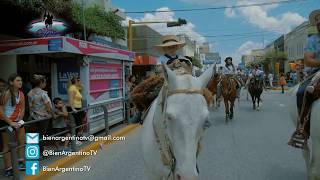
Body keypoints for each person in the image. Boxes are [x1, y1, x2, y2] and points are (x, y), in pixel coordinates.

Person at [0, 74, 26, 176]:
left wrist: (20, 120)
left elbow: (23, 108)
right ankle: (8, 168)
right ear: (11, 82)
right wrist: (10, 122)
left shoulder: (21, 94)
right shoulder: (6, 93)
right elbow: (1, 110)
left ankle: (20, 162)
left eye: (21, 80)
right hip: (6, 122)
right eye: (18, 80)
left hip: (18, 121)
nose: (20, 82)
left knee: (21, 141)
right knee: (7, 146)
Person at [68, 76, 85, 146]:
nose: (80, 82)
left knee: (79, 124)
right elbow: (71, 99)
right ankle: (73, 141)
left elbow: (82, 87)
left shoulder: (75, 88)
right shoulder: (72, 88)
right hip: (75, 108)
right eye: (79, 81)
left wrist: (80, 84)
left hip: (78, 108)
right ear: (76, 81)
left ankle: (75, 139)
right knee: (77, 124)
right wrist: (72, 108)